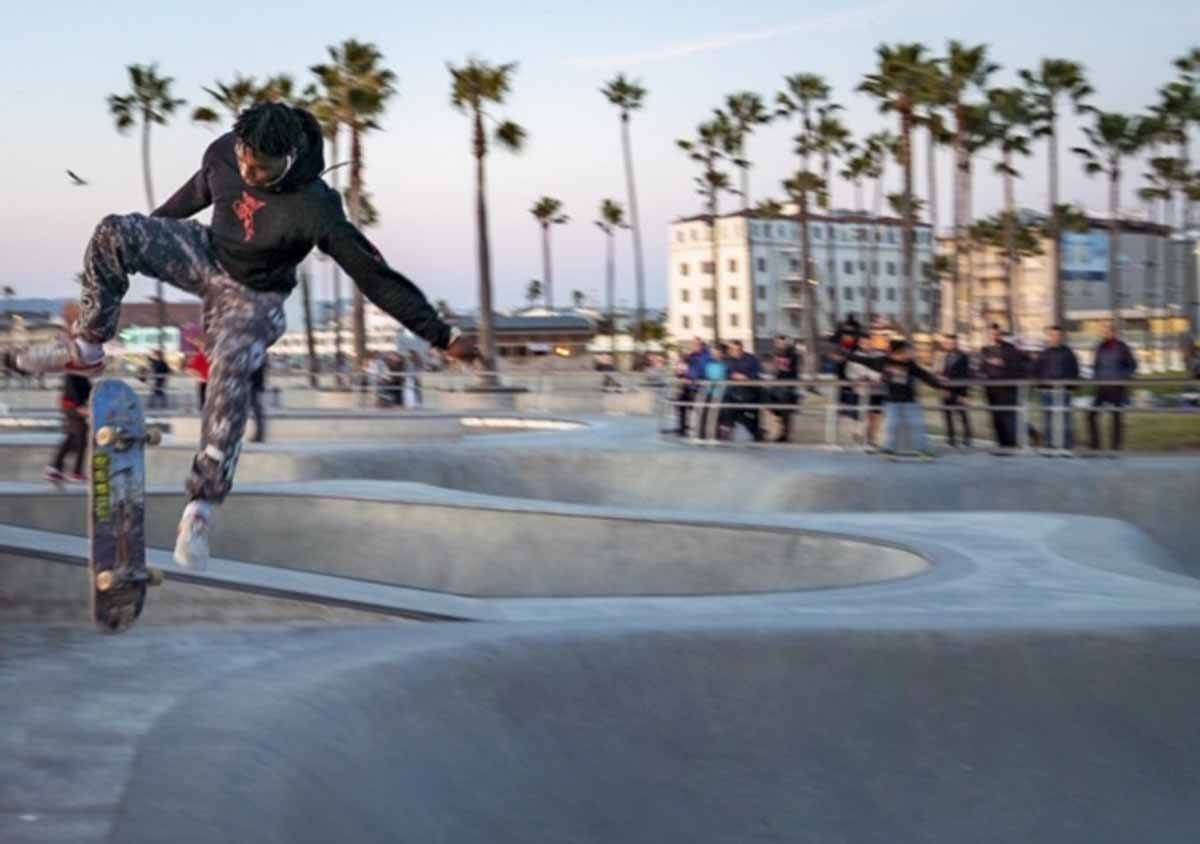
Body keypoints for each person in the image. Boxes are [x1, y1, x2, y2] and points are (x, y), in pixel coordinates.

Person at [15, 102, 474, 569]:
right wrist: (143, 239)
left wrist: (440, 333)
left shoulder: (318, 207)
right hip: (206, 256)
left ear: (290, 158)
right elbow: (191, 197)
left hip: (256, 298)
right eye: (246, 162)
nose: (250, 173)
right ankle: (89, 348)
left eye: (264, 170)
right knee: (113, 231)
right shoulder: (223, 153)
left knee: (230, 365)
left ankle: (201, 508)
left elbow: (375, 277)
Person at [844, 339, 945, 456]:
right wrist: (843, 355)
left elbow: (924, 375)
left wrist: (939, 387)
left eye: (909, 352)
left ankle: (921, 449)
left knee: (917, 424)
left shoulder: (910, 364)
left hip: (910, 400)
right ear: (897, 353)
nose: (909, 354)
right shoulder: (882, 362)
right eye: (907, 352)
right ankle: (889, 448)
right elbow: (862, 360)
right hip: (892, 401)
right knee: (891, 425)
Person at [1088, 321, 1137, 452]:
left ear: (1114, 332)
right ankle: (1095, 445)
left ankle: (1115, 446)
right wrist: (1095, 377)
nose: (1106, 333)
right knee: (1091, 415)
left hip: (1117, 388)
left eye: (1109, 330)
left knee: (1116, 417)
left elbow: (1132, 365)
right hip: (1101, 387)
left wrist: (1122, 378)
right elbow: (1095, 365)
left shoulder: (1122, 347)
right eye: (1104, 331)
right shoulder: (1099, 347)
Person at [1031, 325, 1080, 451]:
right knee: (1048, 418)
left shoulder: (1068, 352)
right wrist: (1039, 386)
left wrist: (1071, 387)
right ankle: (1048, 445)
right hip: (1047, 391)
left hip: (1064, 391)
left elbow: (1075, 371)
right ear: (1049, 336)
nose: (1055, 338)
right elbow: (1036, 370)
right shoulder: (1044, 353)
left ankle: (1067, 446)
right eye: (1052, 335)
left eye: (1057, 335)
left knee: (1065, 419)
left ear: (1061, 337)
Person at [980, 323, 1026, 450]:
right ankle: (1001, 443)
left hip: (1006, 388)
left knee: (1008, 416)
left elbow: (1017, 367)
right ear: (987, 334)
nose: (993, 336)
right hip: (990, 389)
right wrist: (982, 374)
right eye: (990, 333)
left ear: (999, 334)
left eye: (995, 333)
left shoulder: (1009, 348)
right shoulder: (984, 349)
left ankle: (1011, 443)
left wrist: (1002, 363)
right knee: (995, 417)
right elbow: (982, 368)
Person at [45, 373, 92, 484]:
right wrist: (80, 408)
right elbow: (73, 392)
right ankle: (75, 472)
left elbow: (87, 390)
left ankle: (54, 468)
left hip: (73, 407)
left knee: (72, 437)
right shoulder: (72, 374)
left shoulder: (80, 374)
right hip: (73, 408)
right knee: (81, 437)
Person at [722, 340, 764, 442]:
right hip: (734, 392)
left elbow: (758, 374)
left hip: (751, 391)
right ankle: (756, 432)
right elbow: (726, 374)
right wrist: (732, 376)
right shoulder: (728, 360)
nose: (734, 352)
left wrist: (746, 377)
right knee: (731, 409)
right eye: (731, 350)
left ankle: (757, 433)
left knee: (745, 412)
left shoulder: (751, 359)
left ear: (741, 349)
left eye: (736, 349)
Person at [939, 334, 973, 449]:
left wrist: (964, 394)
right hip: (947, 391)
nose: (948, 345)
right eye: (946, 343)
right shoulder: (945, 356)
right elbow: (944, 373)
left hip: (959, 391)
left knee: (962, 415)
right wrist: (943, 387)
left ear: (955, 343)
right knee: (947, 415)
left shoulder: (964, 357)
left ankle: (967, 438)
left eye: (950, 343)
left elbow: (966, 375)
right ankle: (951, 438)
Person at [674, 337, 710, 437]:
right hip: (689, 386)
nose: (694, 346)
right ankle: (682, 428)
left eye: (697, 344)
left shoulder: (705, 356)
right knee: (680, 402)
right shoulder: (690, 356)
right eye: (693, 344)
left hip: (700, 387)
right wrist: (680, 373)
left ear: (701, 345)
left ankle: (702, 430)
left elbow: (703, 371)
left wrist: (692, 379)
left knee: (698, 407)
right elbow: (681, 369)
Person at [769, 335, 800, 443]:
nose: (780, 345)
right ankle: (779, 425)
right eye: (778, 343)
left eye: (782, 343)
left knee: (785, 408)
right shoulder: (776, 354)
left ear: (786, 344)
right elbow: (775, 371)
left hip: (788, 385)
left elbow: (793, 372)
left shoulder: (792, 355)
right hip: (777, 385)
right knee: (770, 401)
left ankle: (784, 433)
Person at [698, 343, 729, 440]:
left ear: (721, 353)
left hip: (720, 394)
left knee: (716, 412)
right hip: (709, 392)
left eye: (716, 352)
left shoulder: (725, 364)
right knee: (703, 410)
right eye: (713, 352)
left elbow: (723, 378)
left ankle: (716, 434)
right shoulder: (709, 364)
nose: (713, 354)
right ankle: (702, 434)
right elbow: (705, 376)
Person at [185, 343, 210, 410]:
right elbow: (188, 370)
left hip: (209, 382)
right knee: (204, 400)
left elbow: (188, 370)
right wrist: (199, 377)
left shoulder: (207, 356)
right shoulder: (200, 356)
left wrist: (198, 376)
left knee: (206, 400)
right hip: (205, 382)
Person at [249, 363, 267, 443]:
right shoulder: (260, 352)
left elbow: (256, 366)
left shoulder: (257, 352)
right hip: (254, 382)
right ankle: (259, 434)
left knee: (257, 410)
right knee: (257, 410)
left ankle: (259, 434)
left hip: (253, 383)